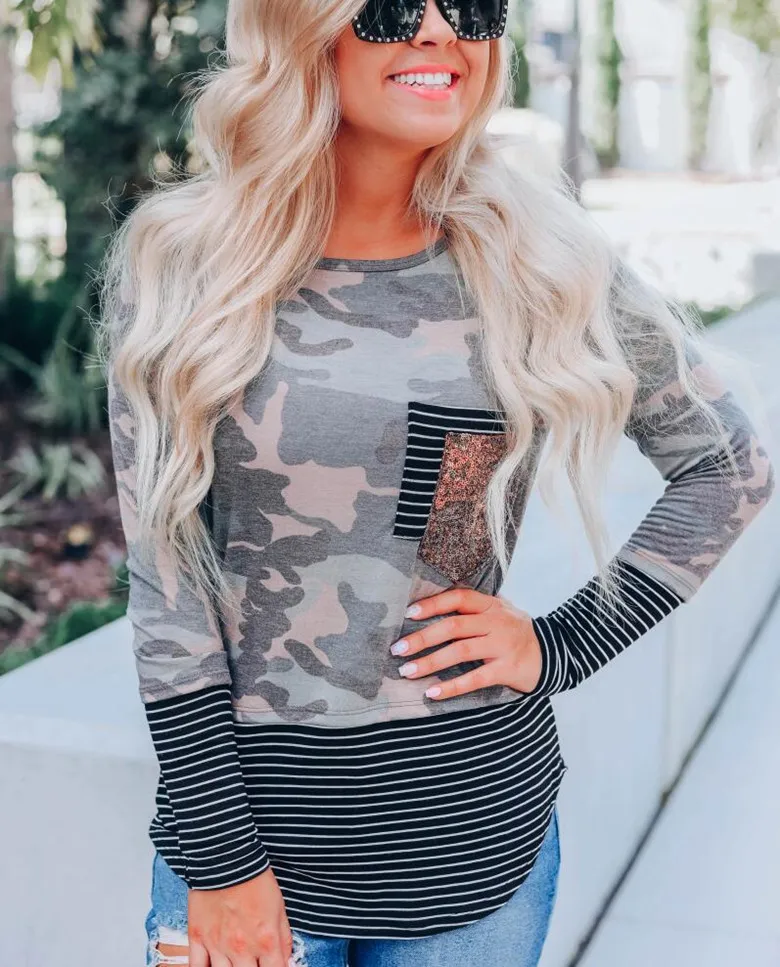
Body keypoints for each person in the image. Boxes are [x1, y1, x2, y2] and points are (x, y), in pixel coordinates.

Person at [97, 0, 776, 965]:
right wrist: (219, 860)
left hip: (477, 851)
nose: (436, 31)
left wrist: (559, 645)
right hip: (247, 862)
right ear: (305, 26)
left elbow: (729, 466)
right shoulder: (183, 261)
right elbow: (169, 585)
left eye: (470, 4)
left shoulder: (539, 257)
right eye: (388, 6)